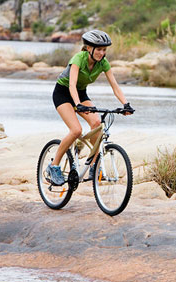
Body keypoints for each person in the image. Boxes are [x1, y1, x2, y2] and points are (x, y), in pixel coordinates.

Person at [46, 29, 134, 186]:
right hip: (63, 93)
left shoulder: (103, 63)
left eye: (104, 50)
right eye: (99, 49)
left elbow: (115, 86)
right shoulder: (78, 58)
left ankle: (94, 165)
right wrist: (77, 104)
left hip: (81, 94)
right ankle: (54, 166)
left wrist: (125, 104)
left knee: (96, 124)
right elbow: (71, 84)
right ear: (88, 48)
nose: (102, 53)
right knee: (76, 130)